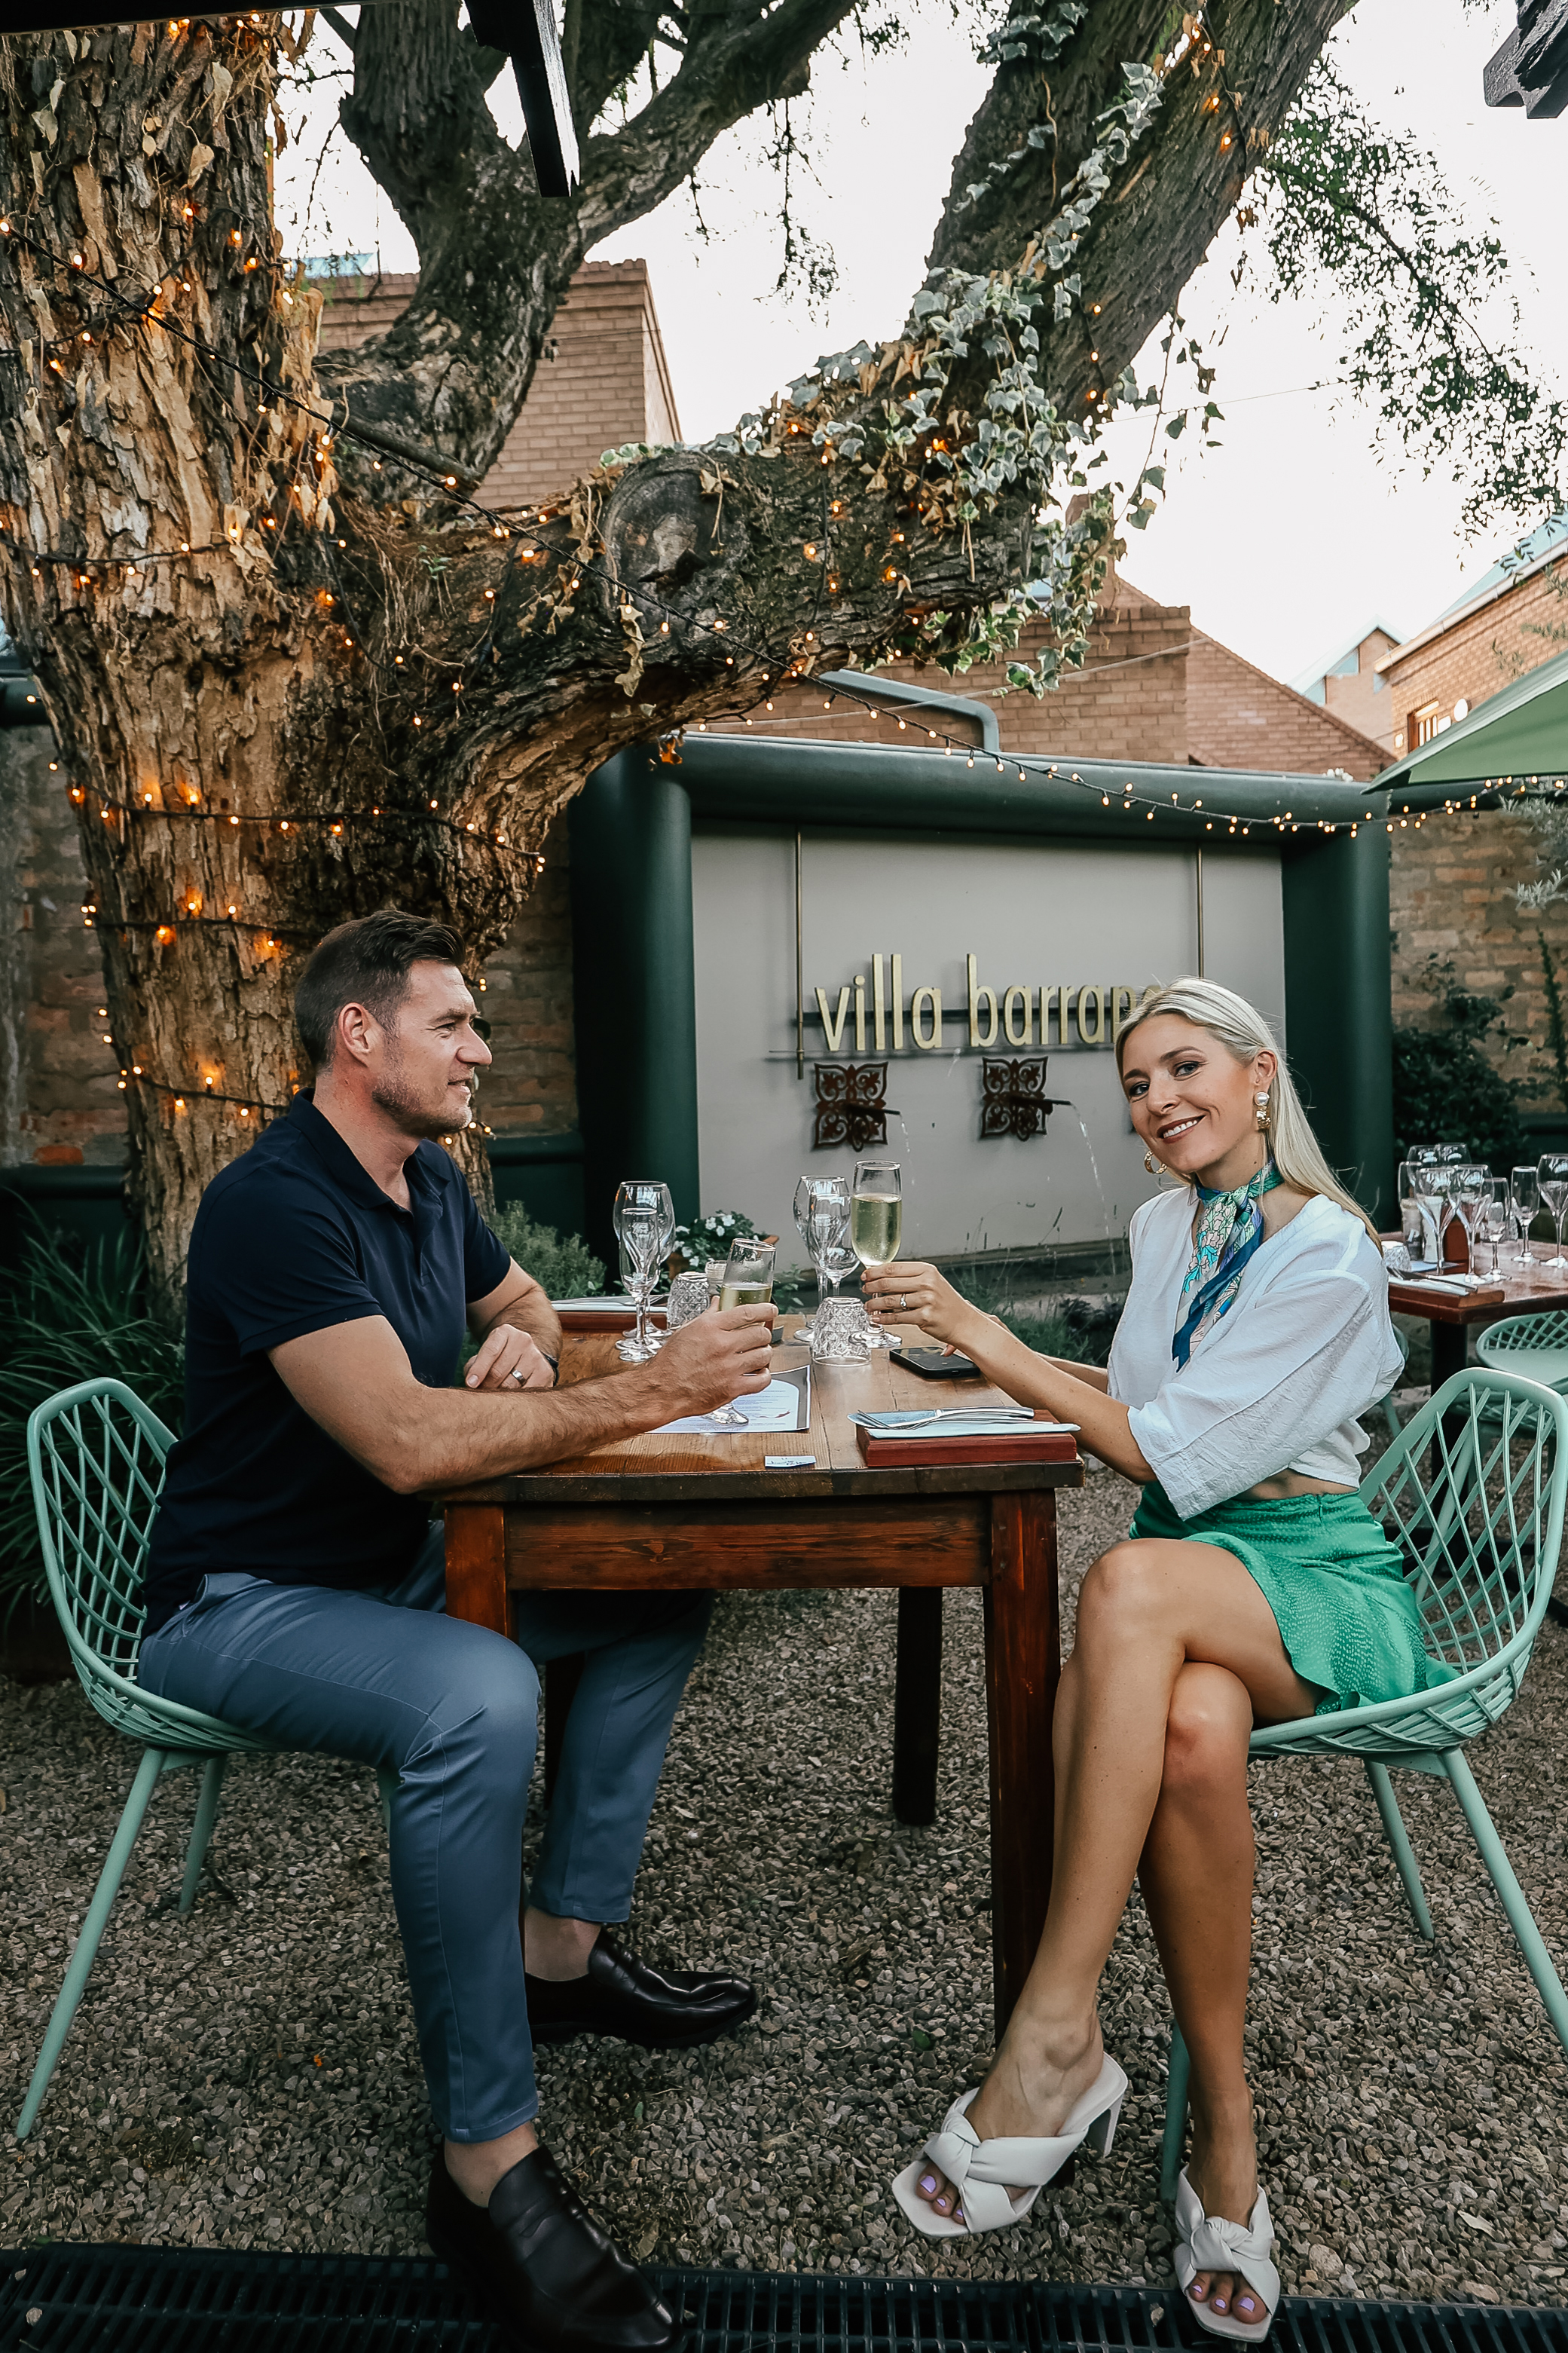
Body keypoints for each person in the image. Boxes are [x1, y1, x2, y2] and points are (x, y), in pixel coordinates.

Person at [139, 910, 777, 2353]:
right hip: (238, 1602)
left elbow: (527, 1303)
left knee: (657, 1593)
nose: (480, 1049)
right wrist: (641, 1391)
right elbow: (411, 1446)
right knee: (478, 1696)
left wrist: (533, 1343)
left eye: (478, 1025)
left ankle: (559, 1954)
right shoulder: (275, 1204)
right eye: (453, 1023)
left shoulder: (429, 1182)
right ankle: (483, 2164)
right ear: (359, 1035)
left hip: (382, 1575)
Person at [863, 977, 1450, 2343]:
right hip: (1192, 1590)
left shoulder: (1330, 1252)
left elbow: (1159, 1450)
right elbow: (1136, 1406)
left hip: (1310, 1576)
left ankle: (1056, 2032)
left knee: (1123, 1579)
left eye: (1182, 1067)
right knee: (1185, 1726)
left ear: (1259, 1077)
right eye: (1135, 1083)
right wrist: (991, 1379)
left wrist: (982, 1334)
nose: (1157, 1100)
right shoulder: (1161, 1223)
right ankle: (1224, 2130)